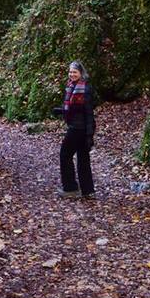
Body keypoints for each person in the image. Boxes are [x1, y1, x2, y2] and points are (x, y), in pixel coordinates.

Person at [54, 60, 96, 199]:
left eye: (75, 72)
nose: (72, 74)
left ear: (81, 73)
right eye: (70, 72)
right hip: (79, 127)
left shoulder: (85, 89)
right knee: (83, 158)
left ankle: (70, 188)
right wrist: (61, 111)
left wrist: (90, 134)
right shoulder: (72, 86)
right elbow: (73, 109)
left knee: (65, 155)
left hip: (79, 129)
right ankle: (88, 191)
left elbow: (88, 112)